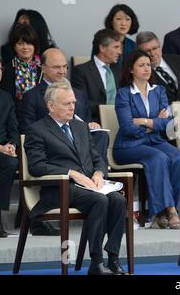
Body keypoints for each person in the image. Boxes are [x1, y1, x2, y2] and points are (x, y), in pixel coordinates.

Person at [24, 80, 126, 275]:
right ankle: (96, 262)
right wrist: (72, 174)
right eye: (66, 103)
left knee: (118, 200)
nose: (72, 107)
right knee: (99, 200)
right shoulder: (37, 130)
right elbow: (36, 166)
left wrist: (98, 173)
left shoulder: (80, 127)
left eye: (73, 102)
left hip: (88, 186)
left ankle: (113, 257)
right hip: (57, 189)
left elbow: (98, 159)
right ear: (51, 106)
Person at [113, 50, 180, 229]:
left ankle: (162, 213)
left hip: (154, 141)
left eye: (148, 65)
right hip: (128, 146)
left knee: (179, 158)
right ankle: (170, 210)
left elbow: (168, 124)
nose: (147, 68)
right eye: (141, 65)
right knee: (158, 158)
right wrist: (155, 122)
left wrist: (144, 122)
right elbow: (127, 128)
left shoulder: (159, 90)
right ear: (131, 69)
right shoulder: (124, 94)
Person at [18, 48, 109, 164]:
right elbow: (27, 130)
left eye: (65, 66)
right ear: (43, 68)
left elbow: (86, 120)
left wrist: (92, 124)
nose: (62, 71)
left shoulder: (79, 95)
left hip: (80, 142)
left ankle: (98, 172)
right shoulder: (31, 96)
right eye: (56, 67)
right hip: (54, 146)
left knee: (101, 134)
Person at [71, 29, 122, 122]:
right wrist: (106, 110)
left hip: (121, 121)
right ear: (102, 47)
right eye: (116, 47)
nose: (120, 52)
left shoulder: (119, 71)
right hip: (95, 123)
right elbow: (81, 103)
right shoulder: (81, 71)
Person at [0, 55, 19, 238]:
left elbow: (13, 128)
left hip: (2, 150)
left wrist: (11, 145)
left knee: (11, 162)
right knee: (8, 163)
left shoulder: (5, 97)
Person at [136, 31, 180, 104]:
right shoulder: (141, 74)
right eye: (147, 51)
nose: (152, 54)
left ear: (160, 46)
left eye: (154, 48)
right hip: (163, 114)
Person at [0, 24, 42, 108]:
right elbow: (6, 101)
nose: (25, 47)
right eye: (20, 43)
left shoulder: (42, 70)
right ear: (14, 47)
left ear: (34, 46)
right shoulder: (7, 69)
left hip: (38, 116)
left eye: (29, 43)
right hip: (15, 114)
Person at [103, 4, 139, 70]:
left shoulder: (133, 46)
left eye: (127, 19)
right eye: (119, 19)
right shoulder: (102, 43)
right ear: (111, 21)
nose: (123, 23)